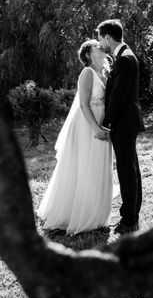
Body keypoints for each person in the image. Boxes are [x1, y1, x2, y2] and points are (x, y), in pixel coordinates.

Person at [36, 39, 113, 235]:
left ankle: (95, 212)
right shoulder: (87, 73)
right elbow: (84, 104)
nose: (101, 46)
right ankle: (76, 213)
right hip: (87, 124)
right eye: (97, 46)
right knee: (84, 166)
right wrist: (96, 128)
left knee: (96, 167)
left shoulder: (105, 73)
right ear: (88, 54)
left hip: (102, 122)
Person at [96, 19, 145, 234]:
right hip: (126, 123)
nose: (99, 43)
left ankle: (129, 220)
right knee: (131, 169)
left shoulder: (125, 59)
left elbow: (118, 96)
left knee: (127, 171)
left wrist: (106, 123)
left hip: (124, 124)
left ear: (108, 37)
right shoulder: (124, 56)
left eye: (100, 38)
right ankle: (132, 215)